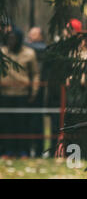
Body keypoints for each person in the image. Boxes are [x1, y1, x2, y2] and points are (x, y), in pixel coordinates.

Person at [0, 28, 40, 158]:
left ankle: (24, 151)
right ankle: (7, 150)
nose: (11, 41)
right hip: (5, 93)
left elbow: (35, 74)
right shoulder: (2, 52)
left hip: (22, 94)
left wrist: (34, 92)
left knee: (22, 124)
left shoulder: (29, 53)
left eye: (14, 38)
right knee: (6, 124)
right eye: (9, 38)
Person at [25, 27, 48, 157]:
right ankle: (28, 149)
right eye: (30, 34)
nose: (31, 37)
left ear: (40, 36)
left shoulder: (41, 49)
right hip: (25, 88)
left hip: (39, 89)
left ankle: (39, 149)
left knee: (37, 120)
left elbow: (40, 48)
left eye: (34, 35)